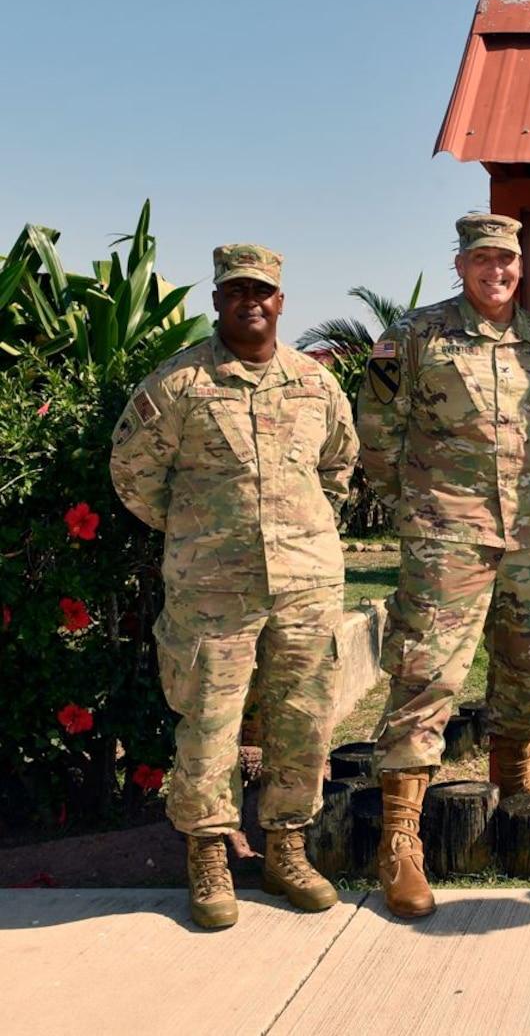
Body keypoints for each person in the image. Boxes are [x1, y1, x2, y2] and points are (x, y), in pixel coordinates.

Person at [110, 244, 358, 929]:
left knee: (304, 716)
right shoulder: (178, 384)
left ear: (281, 301)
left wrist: (305, 525)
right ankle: (209, 853)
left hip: (306, 581)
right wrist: (196, 529)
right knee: (209, 720)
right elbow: (132, 472)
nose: (252, 301)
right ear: (217, 300)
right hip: (211, 586)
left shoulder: (315, 384)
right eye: (237, 291)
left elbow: (339, 465)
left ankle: (286, 847)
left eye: (263, 291)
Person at [357, 213, 530, 918]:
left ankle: (514, 780)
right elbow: (377, 429)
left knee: (525, 657)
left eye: (505, 260)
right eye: (482, 259)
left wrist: (528, 495)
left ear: (520, 267)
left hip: (528, 533)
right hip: (446, 534)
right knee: (427, 672)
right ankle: (400, 840)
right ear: (460, 265)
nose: (495, 271)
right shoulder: (416, 336)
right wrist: (415, 504)